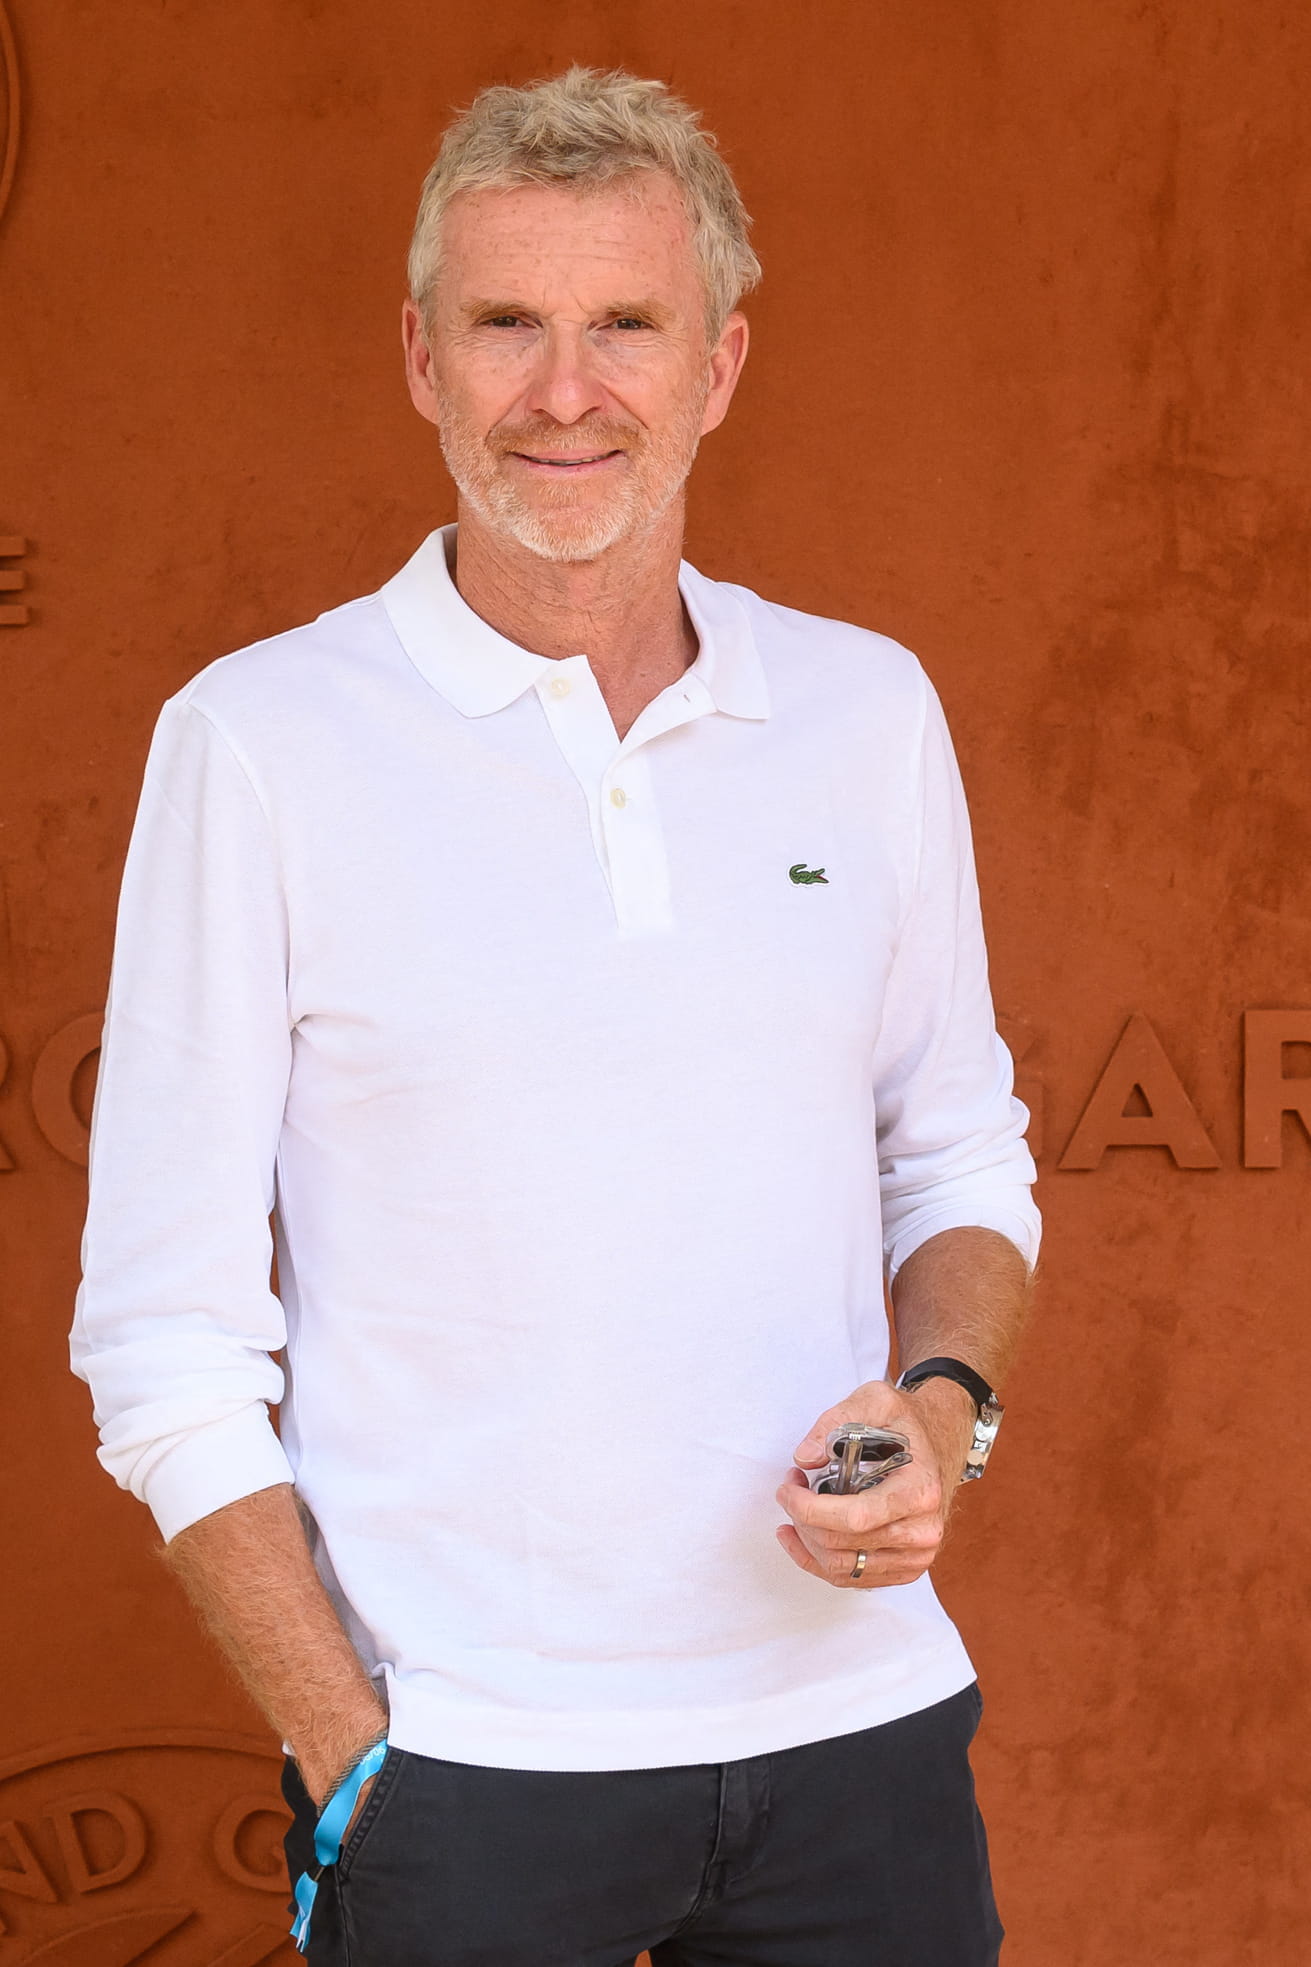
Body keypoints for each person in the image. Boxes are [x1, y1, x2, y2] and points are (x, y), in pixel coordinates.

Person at [70, 64, 1039, 1967]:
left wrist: (941, 1410)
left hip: (862, 1741)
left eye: (628, 327)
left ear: (721, 365)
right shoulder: (257, 742)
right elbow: (162, 1337)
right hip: (462, 1777)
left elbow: (957, 1155)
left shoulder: (867, 712)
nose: (565, 392)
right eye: (506, 323)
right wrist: (355, 1756)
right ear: (420, 359)